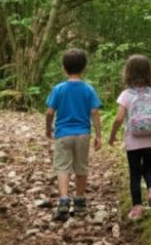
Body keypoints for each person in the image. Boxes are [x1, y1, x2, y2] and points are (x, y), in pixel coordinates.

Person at [108, 54, 151, 220]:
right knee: (149, 168)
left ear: (128, 73)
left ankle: (137, 207)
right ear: (149, 72)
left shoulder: (126, 94)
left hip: (133, 141)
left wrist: (112, 136)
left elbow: (119, 119)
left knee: (135, 173)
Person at [45, 48, 102, 221]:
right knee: (81, 167)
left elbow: (49, 113)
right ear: (84, 68)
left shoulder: (59, 89)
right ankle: (79, 200)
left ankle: (63, 200)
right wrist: (99, 135)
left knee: (62, 167)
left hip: (63, 134)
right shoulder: (88, 89)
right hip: (83, 134)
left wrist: (48, 129)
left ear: (64, 67)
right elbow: (95, 113)